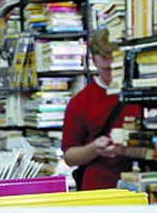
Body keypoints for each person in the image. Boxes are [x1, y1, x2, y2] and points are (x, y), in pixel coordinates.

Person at [61, 29, 142, 190]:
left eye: (116, 68)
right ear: (93, 61)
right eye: (106, 69)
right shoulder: (80, 102)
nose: (112, 75)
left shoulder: (142, 92)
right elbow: (69, 157)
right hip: (100, 188)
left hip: (142, 183)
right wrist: (94, 148)